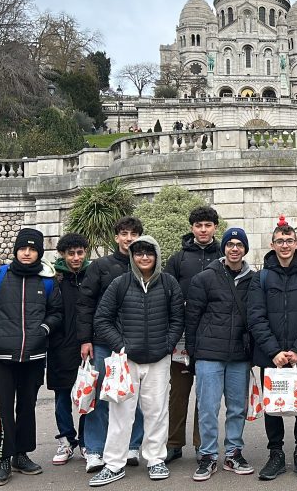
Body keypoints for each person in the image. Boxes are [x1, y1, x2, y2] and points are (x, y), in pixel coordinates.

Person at [89, 236, 185, 486]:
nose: (144, 257)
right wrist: (121, 346)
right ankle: (114, 464)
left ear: (157, 256)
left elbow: (178, 319)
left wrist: (167, 346)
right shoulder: (120, 283)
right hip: (126, 361)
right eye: (139, 253)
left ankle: (155, 459)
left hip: (158, 360)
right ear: (132, 257)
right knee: (120, 413)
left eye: (149, 253)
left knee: (157, 411)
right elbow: (102, 319)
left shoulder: (169, 283)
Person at [0, 228, 63, 486]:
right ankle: (3, 458)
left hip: (34, 355)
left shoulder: (47, 281)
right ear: (16, 250)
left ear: (39, 253)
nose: (27, 253)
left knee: (26, 407)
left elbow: (57, 312)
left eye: (32, 249)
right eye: (23, 248)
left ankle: (21, 455)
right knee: (2, 410)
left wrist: (43, 329)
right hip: (2, 356)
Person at [247, 218, 297, 480]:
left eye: (289, 240)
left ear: (296, 243)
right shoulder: (261, 277)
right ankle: (276, 454)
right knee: (273, 407)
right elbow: (256, 317)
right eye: (280, 241)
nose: (285, 245)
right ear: (272, 244)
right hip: (272, 357)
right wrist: (274, 352)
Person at [185, 228, 256, 481]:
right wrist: (193, 353)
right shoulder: (204, 278)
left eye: (239, 244)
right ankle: (207, 455)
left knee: (237, 408)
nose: (234, 248)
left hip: (239, 354)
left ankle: (234, 452)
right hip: (208, 353)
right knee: (207, 407)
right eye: (230, 244)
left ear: (245, 249)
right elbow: (192, 318)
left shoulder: (254, 280)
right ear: (223, 248)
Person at [77, 217, 146, 473]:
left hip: (135, 342)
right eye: (124, 234)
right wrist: (85, 339)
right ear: (116, 237)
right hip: (103, 342)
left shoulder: (146, 264)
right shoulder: (100, 266)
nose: (128, 238)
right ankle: (95, 449)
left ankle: (132, 445)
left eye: (133, 234)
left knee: (133, 395)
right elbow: (85, 303)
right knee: (100, 395)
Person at [163, 206, 222, 463]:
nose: (203, 230)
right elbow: (167, 293)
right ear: (192, 228)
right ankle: (174, 443)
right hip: (182, 336)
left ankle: (202, 444)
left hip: (212, 335)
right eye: (199, 225)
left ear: (215, 227)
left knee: (206, 395)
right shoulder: (178, 259)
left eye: (208, 225)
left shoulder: (223, 256)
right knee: (178, 392)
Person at [49, 233, 91, 466]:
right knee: (62, 395)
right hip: (59, 346)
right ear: (63, 255)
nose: (76, 258)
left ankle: (86, 441)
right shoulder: (54, 279)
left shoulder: (93, 276)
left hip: (87, 345)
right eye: (71, 253)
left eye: (79, 253)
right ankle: (66, 440)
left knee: (88, 395)